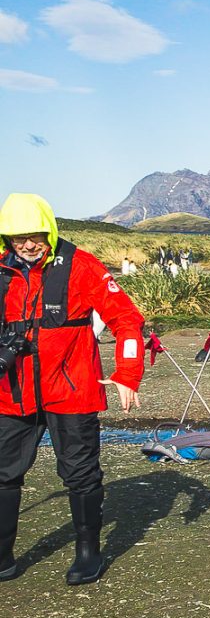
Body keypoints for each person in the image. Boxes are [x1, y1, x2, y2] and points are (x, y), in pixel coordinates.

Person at [0, 193, 145, 584]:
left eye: (35, 236)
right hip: (13, 391)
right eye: (17, 238)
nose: (28, 245)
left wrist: (128, 373)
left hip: (71, 390)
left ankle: (88, 554)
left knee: (80, 475)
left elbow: (127, 319)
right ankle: (3, 557)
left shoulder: (80, 266)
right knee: (3, 473)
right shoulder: (1, 270)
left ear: (49, 229)